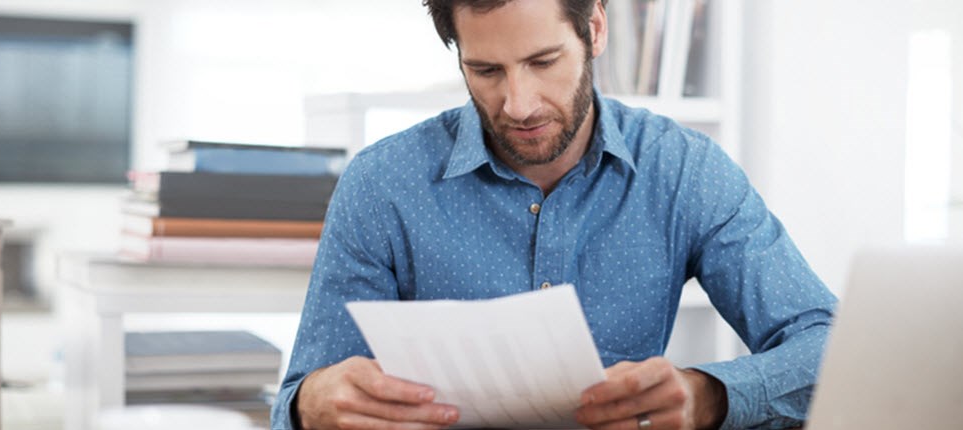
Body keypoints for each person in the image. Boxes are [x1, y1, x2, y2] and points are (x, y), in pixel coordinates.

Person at [271, 0, 837, 429]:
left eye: (543, 62)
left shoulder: (684, 171)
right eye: (486, 71)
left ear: (594, 28)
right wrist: (314, 403)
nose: (518, 104)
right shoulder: (381, 185)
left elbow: (829, 345)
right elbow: (298, 396)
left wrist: (709, 396)